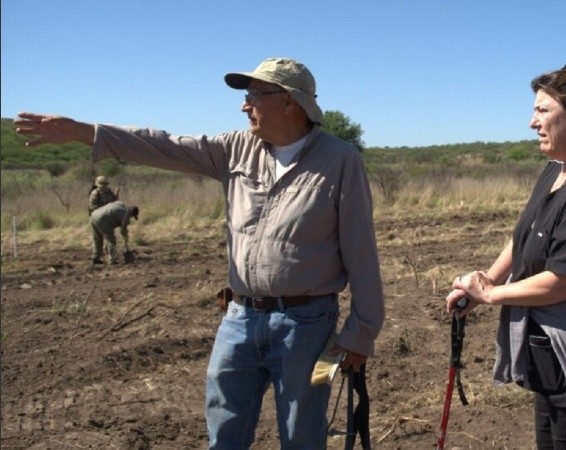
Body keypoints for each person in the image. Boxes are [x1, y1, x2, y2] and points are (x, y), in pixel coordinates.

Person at [14, 57, 385, 449]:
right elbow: (163, 145)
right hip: (240, 318)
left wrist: (361, 333)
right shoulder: (235, 149)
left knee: (302, 434)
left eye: (255, 95)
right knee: (224, 430)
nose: (245, 105)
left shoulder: (341, 160)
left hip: (307, 325)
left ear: (290, 101)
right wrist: (87, 132)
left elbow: (361, 249)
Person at [446, 63, 566, 449]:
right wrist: (485, 281)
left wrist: (490, 296)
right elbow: (523, 239)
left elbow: (565, 281)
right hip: (552, 354)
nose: (532, 122)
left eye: (543, 111)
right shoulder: (556, 171)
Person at [90, 200, 138, 264]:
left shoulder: (120, 203)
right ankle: (111, 260)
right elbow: (123, 231)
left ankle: (95, 257)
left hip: (94, 215)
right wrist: (126, 237)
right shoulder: (126, 215)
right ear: (132, 214)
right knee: (111, 240)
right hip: (103, 219)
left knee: (97, 238)